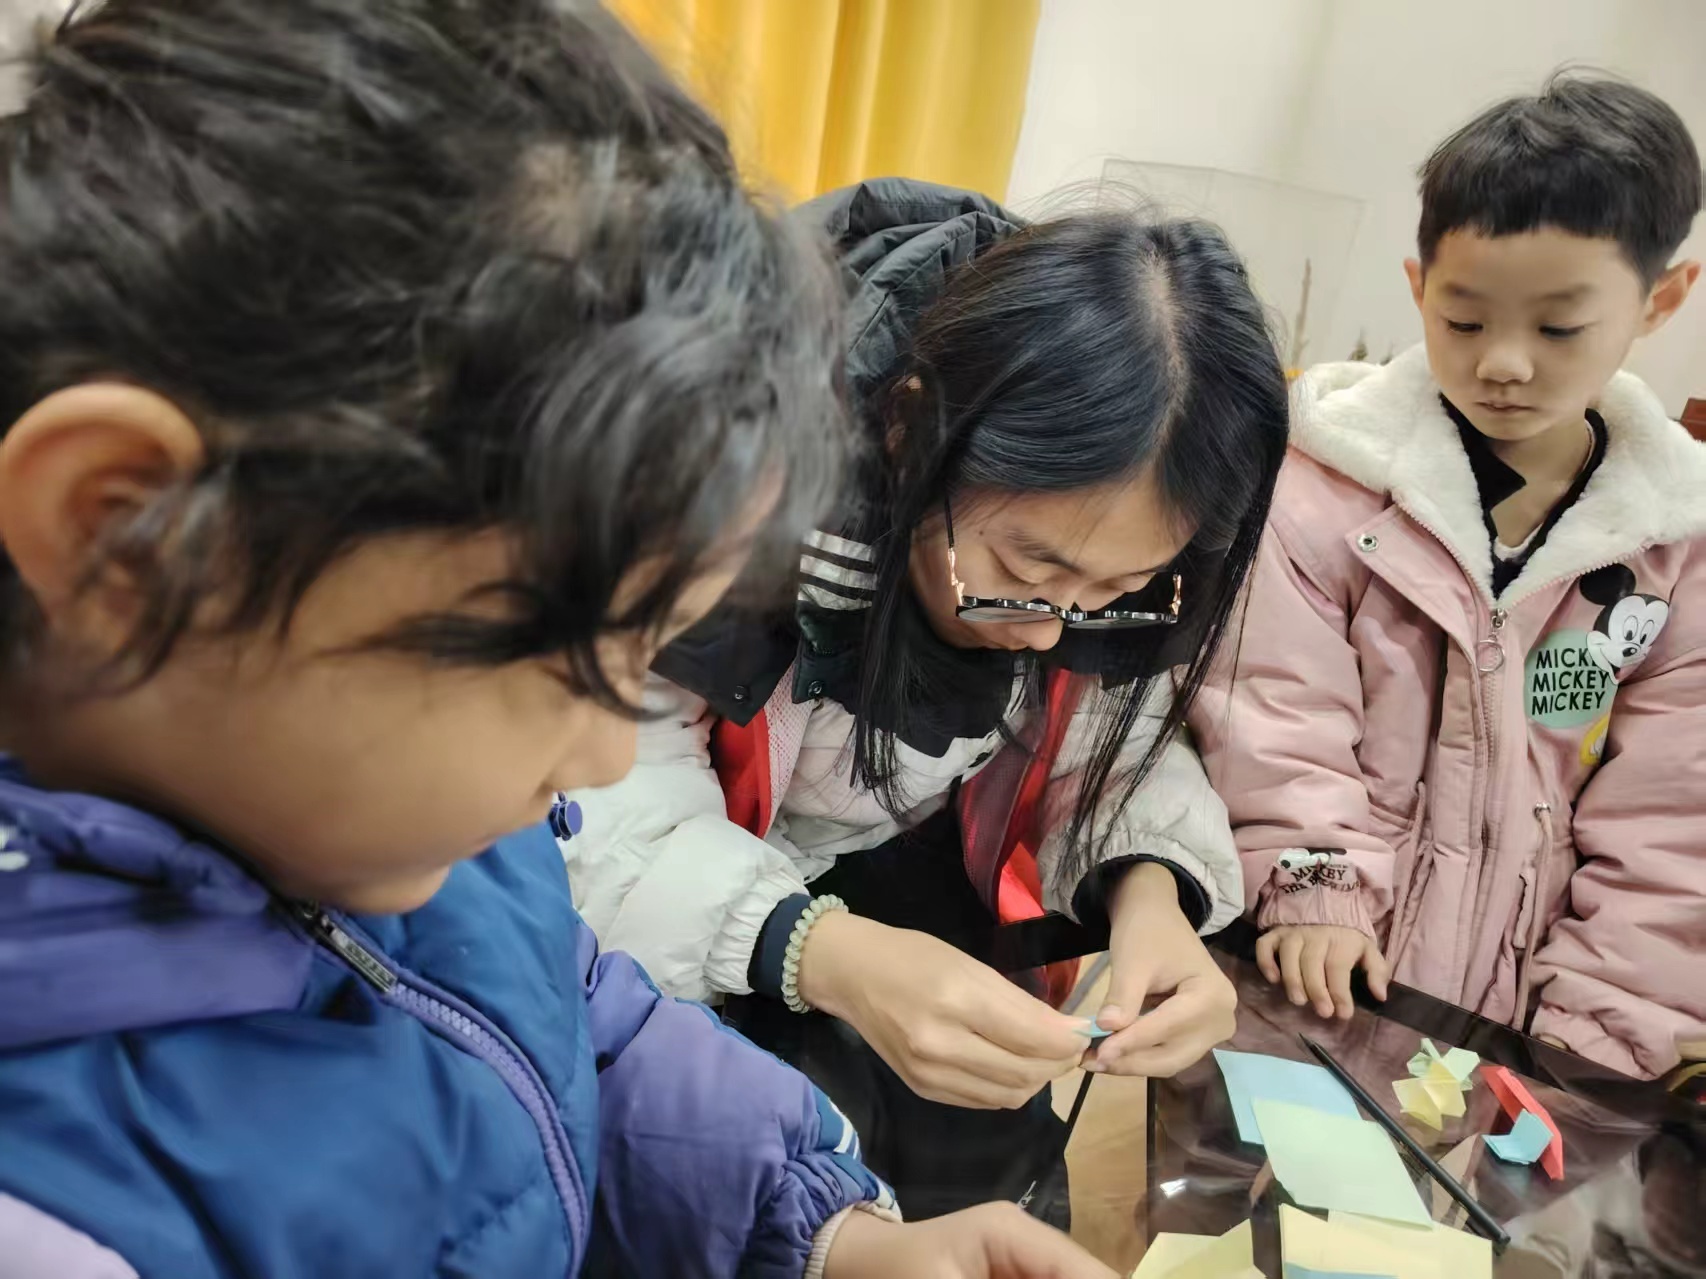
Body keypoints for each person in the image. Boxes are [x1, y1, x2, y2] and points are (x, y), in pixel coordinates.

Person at [0, 4, 1121, 1277]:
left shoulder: (399, 824)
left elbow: (564, 1012)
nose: (604, 756)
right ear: (125, 533)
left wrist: (834, 1237)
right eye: (569, 659)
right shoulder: (52, 1218)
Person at [563, 178, 1290, 1218]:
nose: (1052, 631)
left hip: (890, 876)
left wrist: (1152, 896)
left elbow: (1111, 733)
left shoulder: (1079, 574)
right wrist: (811, 946)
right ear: (909, 427)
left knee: (980, 1153)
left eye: (1120, 590)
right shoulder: (728, 493)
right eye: (1026, 568)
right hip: (677, 920)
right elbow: (589, 796)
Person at [1193, 73, 1705, 1079]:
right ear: (1418, 284)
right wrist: (1315, 884)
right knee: (1243, 1172)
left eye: (1557, 328)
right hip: (1305, 973)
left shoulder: (1676, 546)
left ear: (1661, 300)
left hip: (1530, 1025)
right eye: (1463, 321)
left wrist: (1603, 1026)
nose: (1502, 363)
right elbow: (1273, 711)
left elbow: (1672, 821)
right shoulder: (1318, 488)